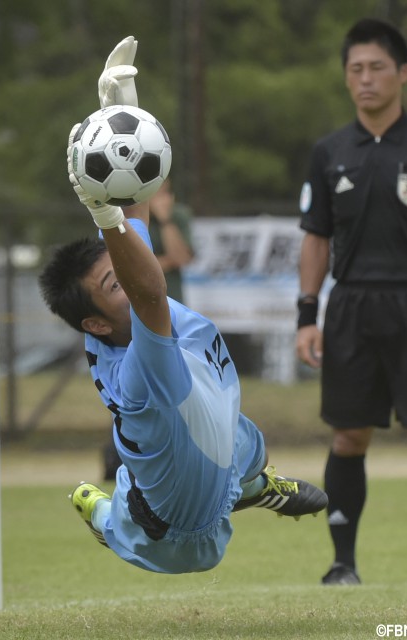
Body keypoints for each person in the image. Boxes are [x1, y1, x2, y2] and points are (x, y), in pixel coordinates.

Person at [40, 36, 327, 575]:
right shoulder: (140, 368)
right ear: (97, 322)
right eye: (113, 283)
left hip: (204, 448)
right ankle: (101, 510)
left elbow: (135, 214)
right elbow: (145, 285)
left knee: (236, 436)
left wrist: (121, 111)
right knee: (115, 514)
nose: (127, 278)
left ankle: (251, 483)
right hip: (167, 531)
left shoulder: (112, 318)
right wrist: (103, 213)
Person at [296, 18, 407, 586]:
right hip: (351, 308)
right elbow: (316, 237)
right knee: (349, 435)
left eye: (377, 68)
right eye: (355, 70)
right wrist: (306, 315)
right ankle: (343, 563)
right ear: (346, 79)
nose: (365, 79)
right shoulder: (329, 152)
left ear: (404, 74)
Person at [102, 176, 194, 479]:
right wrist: (154, 266)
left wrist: (166, 219)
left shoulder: (176, 217)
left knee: (174, 390)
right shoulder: (122, 215)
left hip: (171, 320)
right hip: (130, 319)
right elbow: (122, 267)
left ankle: (179, 460)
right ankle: (120, 460)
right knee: (130, 390)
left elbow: (180, 257)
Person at [148, 177, 194, 304]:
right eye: (157, 193)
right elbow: (127, 268)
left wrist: (165, 220)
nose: (164, 199)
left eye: (166, 192)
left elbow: (181, 258)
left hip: (172, 302)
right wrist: (168, 261)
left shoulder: (178, 215)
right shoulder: (128, 217)